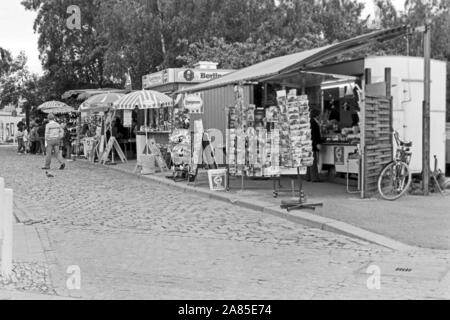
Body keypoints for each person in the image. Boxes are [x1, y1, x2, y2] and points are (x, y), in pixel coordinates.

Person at [306, 109, 323, 182]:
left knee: (309, 161)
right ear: (317, 115)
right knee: (313, 161)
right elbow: (316, 134)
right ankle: (314, 178)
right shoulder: (314, 123)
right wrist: (318, 143)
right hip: (313, 144)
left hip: (309, 143)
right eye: (319, 114)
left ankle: (308, 177)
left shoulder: (309, 121)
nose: (320, 116)